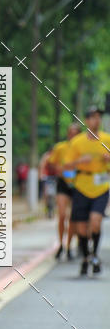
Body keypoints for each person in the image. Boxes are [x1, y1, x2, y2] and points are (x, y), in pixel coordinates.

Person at [64, 106, 110, 276]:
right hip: (82, 186)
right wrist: (78, 162)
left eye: (98, 117)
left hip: (101, 186)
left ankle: (95, 255)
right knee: (82, 228)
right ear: (87, 121)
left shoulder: (107, 139)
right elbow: (66, 167)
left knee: (96, 221)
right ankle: (85, 258)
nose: (96, 120)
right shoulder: (77, 143)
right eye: (92, 117)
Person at [47, 123, 79, 260]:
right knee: (62, 214)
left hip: (78, 183)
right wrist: (58, 168)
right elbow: (50, 162)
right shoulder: (60, 147)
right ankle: (61, 244)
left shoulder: (82, 149)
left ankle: (69, 245)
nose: (72, 135)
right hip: (62, 183)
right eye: (70, 133)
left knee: (73, 217)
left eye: (75, 133)